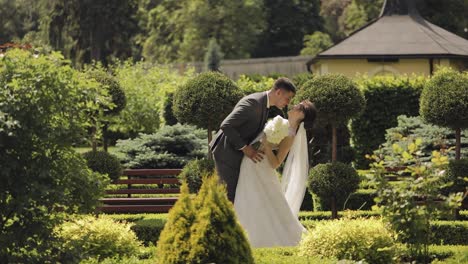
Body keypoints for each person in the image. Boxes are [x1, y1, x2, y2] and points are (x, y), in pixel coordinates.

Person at [234, 100, 317, 248]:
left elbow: (276, 162)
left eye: (298, 106)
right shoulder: (283, 123)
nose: (294, 105)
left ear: (302, 114)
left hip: (260, 168)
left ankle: (254, 239)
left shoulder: (291, 134)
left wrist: (265, 145)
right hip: (252, 163)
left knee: (256, 201)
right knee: (249, 199)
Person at [209, 77, 296, 202]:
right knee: (230, 196)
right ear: (278, 93)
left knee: (235, 195)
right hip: (226, 153)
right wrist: (246, 149)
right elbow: (226, 125)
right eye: (287, 98)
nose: (288, 103)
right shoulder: (254, 103)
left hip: (234, 153)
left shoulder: (264, 104)